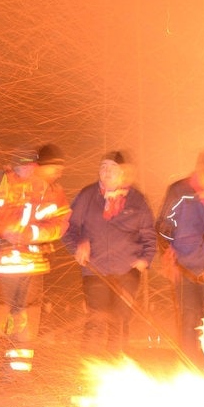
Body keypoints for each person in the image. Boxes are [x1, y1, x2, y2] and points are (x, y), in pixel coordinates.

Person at [0, 144, 69, 375]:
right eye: (22, 165)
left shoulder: (47, 189)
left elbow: (59, 223)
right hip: (0, 267)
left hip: (32, 267)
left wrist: (31, 235)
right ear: (11, 164)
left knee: (26, 323)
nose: (27, 170)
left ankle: (17, 375)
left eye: (31, 166)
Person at [63, 151, 157, 359]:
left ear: (123, 173)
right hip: (95, 269)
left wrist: (145, 259)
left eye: (111, 168)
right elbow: (67, 227)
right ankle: (89, 371)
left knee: (120, 320)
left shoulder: (136, 200)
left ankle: (116, 367)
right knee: (96, 320)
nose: (105, 172)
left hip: (128, 272)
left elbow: (149, 235)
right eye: (103, 166)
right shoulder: (88, 196)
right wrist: (78, 245)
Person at [157, 151, 204, 371]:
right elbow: (164, 226)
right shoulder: (180, 191)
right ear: (198, 170)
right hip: (186, 270)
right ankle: (189, 371)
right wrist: (167, 252)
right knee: (189, 322)